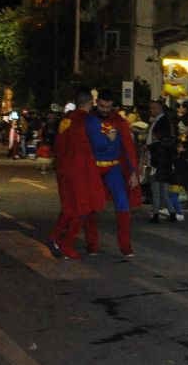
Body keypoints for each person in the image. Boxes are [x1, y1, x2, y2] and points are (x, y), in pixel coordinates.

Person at [83, 92, 142, 254]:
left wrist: (132, 172)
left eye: (108, 106)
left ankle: (125, 245)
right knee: (89, 205)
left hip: (113, 166)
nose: (105, 109)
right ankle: (91, 244)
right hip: (93, 167)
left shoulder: (119, 122)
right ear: (97, 102)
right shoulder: (88, 119)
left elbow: (128, 148)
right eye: (102, 105)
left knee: (122, 204)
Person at [48, 90, 104, 259]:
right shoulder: (87, 120)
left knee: (71, 207)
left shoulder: (66, 120)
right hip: (81, 168)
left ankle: (56, 238)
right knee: (83, 207)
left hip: (65, 168)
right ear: (91, 102)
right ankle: (66, 242)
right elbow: (99, 143)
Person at [145, 100, 182, 222]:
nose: (151, 110)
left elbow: (157, 141)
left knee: (156, 189)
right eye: (150, 108)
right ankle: (171, 213)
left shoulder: (162, 123)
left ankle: (156, 214)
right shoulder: (162, 122)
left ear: (160, 109)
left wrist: (150, 148)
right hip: (163, 161)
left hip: (158, 161)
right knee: (162, 190)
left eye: (153, 108)